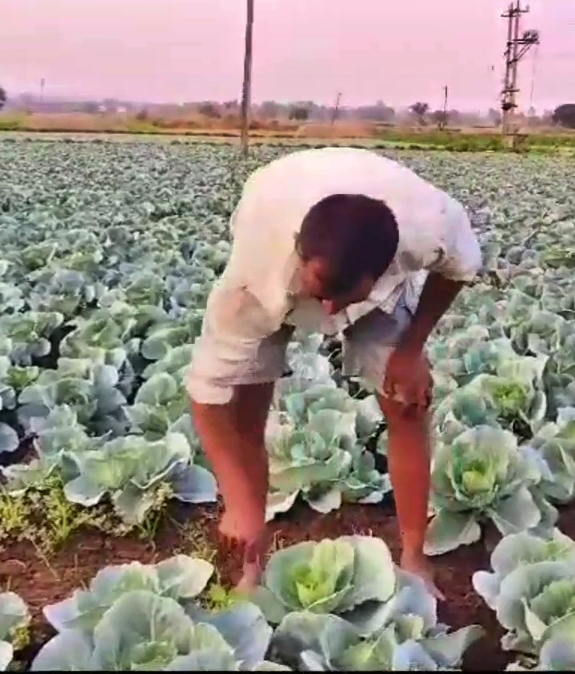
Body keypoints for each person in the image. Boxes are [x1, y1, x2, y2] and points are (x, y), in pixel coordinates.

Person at [187, 146, 482, 598]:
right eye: (318, 293)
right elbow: (207, 393)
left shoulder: (429, 229)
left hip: (367, 260)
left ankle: (414, 556)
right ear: (301, 256)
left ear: (386, 269)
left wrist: (412, 347)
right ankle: (252, 564)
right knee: (246, 411)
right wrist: (238, 501)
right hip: (279, 232)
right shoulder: (256, 274)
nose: (326, 313)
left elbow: (460, 269)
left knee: (408, 402)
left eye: (341, 297)